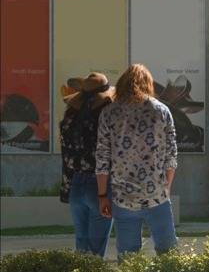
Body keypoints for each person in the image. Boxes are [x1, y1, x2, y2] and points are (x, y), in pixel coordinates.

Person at [96, 63, 178, 261]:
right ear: (148, 84)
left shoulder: (109, 113)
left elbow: (102, 158)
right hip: (156, 195)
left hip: (123, 197)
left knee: (128, 258)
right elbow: (171, 157)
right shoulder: (162, 111)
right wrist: (165, 189)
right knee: (169, 256)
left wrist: (102, 195)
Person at [59, 72, 115, 257]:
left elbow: (66, 158)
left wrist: (67, 190)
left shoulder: (68, 121)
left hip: (76, 184)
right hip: (99, 186)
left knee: (81, 247)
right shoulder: (105, 121)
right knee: (96, 251)